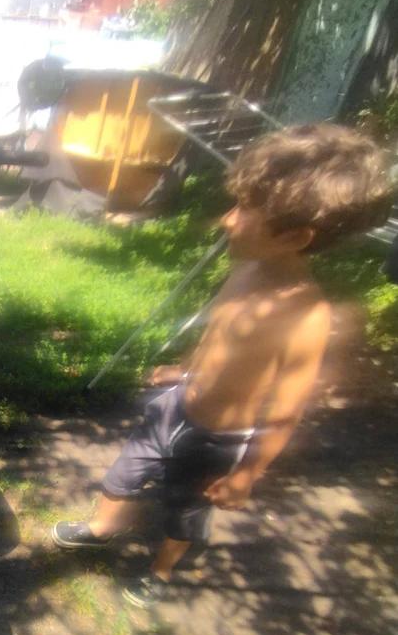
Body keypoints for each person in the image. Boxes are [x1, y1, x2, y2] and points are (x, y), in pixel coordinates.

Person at [52, 123, 395, 609]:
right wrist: (185, 370)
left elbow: (285, 412)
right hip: (175, 407)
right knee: (123, 473)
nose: (227, 220)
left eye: (243, 213)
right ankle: (102, 527)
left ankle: (160, 572)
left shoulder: (306, 318)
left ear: (295, 237)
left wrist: (247, 473)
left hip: (216, 440)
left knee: (185, 509)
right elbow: (218, 334)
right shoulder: (245, 269)